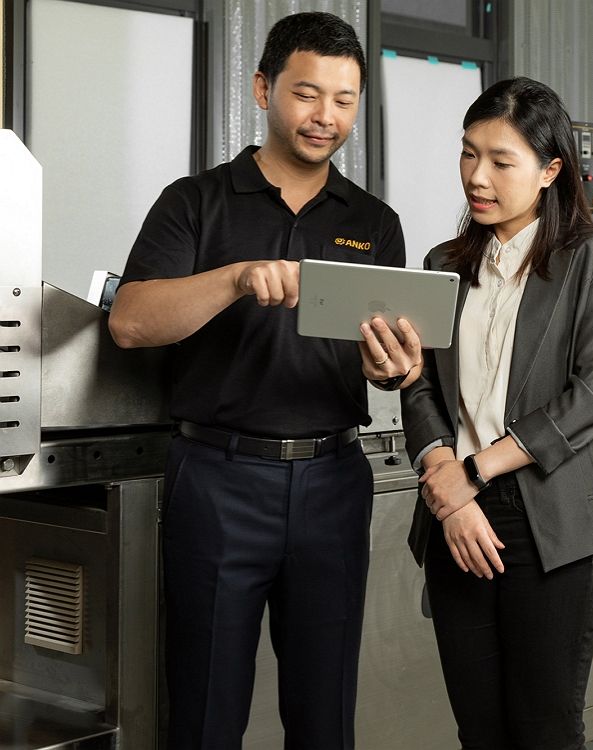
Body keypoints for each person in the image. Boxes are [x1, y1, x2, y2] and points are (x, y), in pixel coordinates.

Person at [108, 12, 422, 750]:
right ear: (263, 89)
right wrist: (238, 278)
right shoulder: (195, 202)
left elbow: (391, 361)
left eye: (344, 100)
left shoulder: (374, 223)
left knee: (324, 712)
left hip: (333, 482)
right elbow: (130, 322)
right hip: (217, 480)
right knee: (206, 709)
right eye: (307, 94)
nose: (326, 117)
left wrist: (394, 368)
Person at [400, 77, 593, 750]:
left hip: (552, 522)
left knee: (542, 728)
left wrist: (471, 472)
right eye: (469, 154)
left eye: (501, 161)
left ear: (550, 169)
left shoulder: (592, 257)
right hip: (458, 519)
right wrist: (448, 485)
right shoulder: (444, 264)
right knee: (479, 728)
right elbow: (417, 386)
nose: (477, 176)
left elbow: (592, 396)